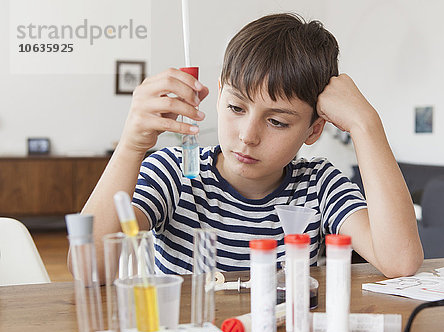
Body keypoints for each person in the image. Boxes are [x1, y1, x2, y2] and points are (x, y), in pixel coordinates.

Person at [82, 13, 423, 281]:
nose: (247, 135)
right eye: (236, 108)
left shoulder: (317, 185)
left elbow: (400, 260)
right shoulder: (174, 171)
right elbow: (90, 268)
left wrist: (366, 125)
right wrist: (130, 146)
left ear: (313, 129)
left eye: (277, 122)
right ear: (218, 94)